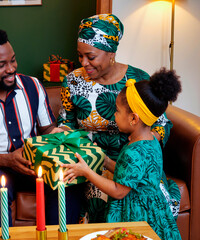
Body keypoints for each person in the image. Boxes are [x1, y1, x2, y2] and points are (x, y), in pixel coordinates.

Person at [0, 27, 85, 227]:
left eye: (12, 60)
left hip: (36, 162)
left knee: (67, 183)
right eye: (1, 65)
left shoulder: (32, 86)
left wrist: (59, 135)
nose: (11, 68)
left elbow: (47, 129)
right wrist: (8, 160)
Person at [57, 13, 180, 223]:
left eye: (91, 56)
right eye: (80, 56)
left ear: (110, 52)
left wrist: (139, 153)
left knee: (146, 201)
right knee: (95, 197)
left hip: (134, 163)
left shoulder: (137, 80)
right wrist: (63, 135)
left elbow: (160, 124)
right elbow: (66, 122)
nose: (84, 63)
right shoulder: (73, 81)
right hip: (90, 161)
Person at [62, 68, 182, 239]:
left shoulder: (134, 151)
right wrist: (104, 160)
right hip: (154, 207)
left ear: (134, 118)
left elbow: (119, 190)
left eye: (117, 111)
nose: (114, 114)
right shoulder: (150, 141)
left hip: (137, 214)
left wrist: (86, 172)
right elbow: (129, 173)